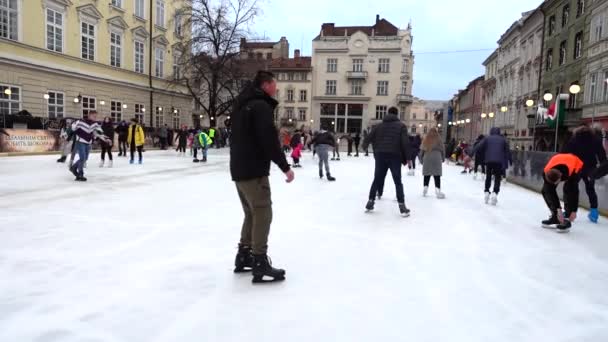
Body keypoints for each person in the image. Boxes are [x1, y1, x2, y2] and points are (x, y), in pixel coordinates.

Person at [230, 71, 294, 284]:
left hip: (239, 169)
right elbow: (268, 140)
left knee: (251, 213)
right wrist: (285, 167)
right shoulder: (260, 106)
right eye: (275, 83)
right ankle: (259, 261)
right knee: (263, 212)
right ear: (266, 84)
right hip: (253, 169)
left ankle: (244, 255)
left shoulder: (241, 105)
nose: (276, 87)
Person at [362, 106, 411, 216]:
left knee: (377, 179)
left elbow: (368, 137)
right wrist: (408, 158)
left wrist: (364, 146)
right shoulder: (401, 126)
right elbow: (405, 142)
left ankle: (370, 201)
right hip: (395, 156)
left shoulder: (378, 126)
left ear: (387, 114)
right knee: (397, 181)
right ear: (397, 114)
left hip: (380, 155)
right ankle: (402, 206)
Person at [562, 124, 607, 223]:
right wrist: (601, 167)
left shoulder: (574, 139)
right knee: (590, 189)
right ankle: (594, 213)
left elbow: (565, 153)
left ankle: (568, 211)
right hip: (590, 169)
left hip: (576, 168)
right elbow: (602, 157)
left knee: (569, 188)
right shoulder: (595, 139)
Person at [541, 153, 584, 232]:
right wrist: (558, 209)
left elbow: (575, 192)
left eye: (556, 182)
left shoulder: (572, 172)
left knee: (569, 189)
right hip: (560, 160)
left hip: (576, 164)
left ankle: (567, 216)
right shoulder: (545, 171)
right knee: (545, 190)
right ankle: (555, 217)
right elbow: (551, 191)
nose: (555, 185)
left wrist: (574, 210)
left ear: (561, 176)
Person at [69, 110, 111, 181]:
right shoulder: (81, 122)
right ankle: (80, 174)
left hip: (88, 143)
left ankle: (73, 168)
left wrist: (107, 139)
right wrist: (74, 126)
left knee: (85, 158)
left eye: (96, 116)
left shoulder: (95, 124)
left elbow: (99, 133)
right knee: (82, 158)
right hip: (80, 141)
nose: (95, 118)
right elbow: (72, 128)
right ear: (89, 115)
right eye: (94, 116)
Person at [473, 127, 510, 206]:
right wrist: (509, 161)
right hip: (499, 162)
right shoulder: (503, 140)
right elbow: (507, 151)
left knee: (488, 176)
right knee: (497, 177)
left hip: (489, 161)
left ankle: (486, 191)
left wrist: (471, 152)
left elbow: (478, 146)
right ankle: (495, 193)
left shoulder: (487, 138)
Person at [420, 128, 445, 199]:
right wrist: (443, 158)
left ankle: (425, 187)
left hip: (427, 157)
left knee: (426, 174)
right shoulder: (439, 139)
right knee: (437, 175)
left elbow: (421, 151)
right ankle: (437, 190)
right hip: (437, 158)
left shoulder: (426, 139)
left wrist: (421, 159)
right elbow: (443, 150)